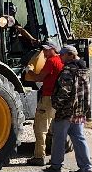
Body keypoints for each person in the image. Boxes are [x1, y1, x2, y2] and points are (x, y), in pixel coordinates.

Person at [44, 44, 92, 172]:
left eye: (62, 55)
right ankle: (86, 168)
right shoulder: (85, 70)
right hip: (79, 111)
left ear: (70, 55)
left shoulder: (68, 70)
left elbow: (64, 92)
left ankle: (56, 165)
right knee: (79, 138)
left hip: (66, 111)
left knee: (59, 138)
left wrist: (56, 106)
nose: (60, 58)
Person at [18, 36, 63, 165]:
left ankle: (39, 157)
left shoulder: (51, 62)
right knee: (53, 129)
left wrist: (29, 71)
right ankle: (55, 157)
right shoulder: (60, 61)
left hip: (47, 98)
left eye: (47, 50)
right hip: (56, 98)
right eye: (44, 49)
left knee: (40, 128)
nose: (44, 52)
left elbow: (39, 78)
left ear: (53, 49)